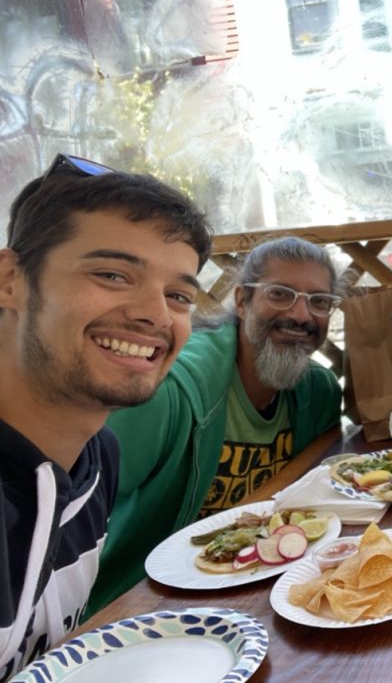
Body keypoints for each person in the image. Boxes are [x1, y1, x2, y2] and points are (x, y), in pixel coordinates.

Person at [0, 154, 212, 677]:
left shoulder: (96, 457)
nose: (156, 315)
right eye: (113, 274)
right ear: (9, 280)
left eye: (179, 295)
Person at [88, 236, 345, 612]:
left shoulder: (319, 394)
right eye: (280, 294)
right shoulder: (166, 393)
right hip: (147, 603)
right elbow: (73, 515)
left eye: (319, 302)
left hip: (260, 586)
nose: (302, 316)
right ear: (242, 301)